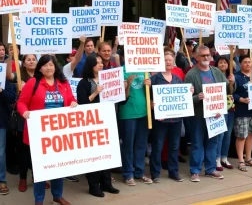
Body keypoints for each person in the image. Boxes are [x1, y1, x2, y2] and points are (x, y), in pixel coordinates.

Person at [17, 55, 77, 205]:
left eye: (51, 65)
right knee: (40, 169)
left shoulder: (63, 83)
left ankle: (57, 195)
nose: (49, 68)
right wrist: (24, 112)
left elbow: (70, 100)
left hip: (59, 133)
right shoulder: (33, 83)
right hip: (39, 134)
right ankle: (39, 199)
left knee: (59, 167)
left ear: (55, 66)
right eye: (45, 65)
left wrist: (74, 103)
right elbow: (21, 102)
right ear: (40, 68)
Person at [184, 45, 235, 181]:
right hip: (199, 116)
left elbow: (227, 90)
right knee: (197, 143)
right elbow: (185, 97)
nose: (206, 57)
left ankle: (210, 169)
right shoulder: (191, 75)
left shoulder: (216, 71)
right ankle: (195, 170)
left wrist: (232, 82)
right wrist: (196, 97)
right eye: (203, 55)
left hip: (215, 115)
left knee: (213, 142)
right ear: (196, 57)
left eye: (208, 55)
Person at [146, 47, 193, 183]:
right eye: (165, 60)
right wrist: (151, 104)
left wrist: (188, 92)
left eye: (170, 60)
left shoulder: (178, 79)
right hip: (160, 120)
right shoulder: (154, 79)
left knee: (174, 146)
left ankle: (174, 172)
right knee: (158, 146)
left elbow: (183, 97)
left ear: (173, 62)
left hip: (176, 119)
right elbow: (148, 97)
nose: (168, 62)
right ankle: (155, 173)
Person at [77, 54, 120, 197]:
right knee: (94, 156)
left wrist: (123, 89)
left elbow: (118, 100)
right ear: (91, 66)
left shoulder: (108, 79)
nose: (101, 65)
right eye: (97, 63)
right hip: (92, 124)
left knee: (107, 154)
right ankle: (93, 185)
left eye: (101, 62)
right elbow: (82, 104)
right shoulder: (84, 83)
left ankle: (106, 183)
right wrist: (96, 92)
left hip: (107, 120)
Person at [6, 54, 42, 192]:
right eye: (28, 59)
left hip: (39, 118)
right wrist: (11, 57)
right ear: (24, 63)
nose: (31, 61)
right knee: (23, 150)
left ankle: (37, 177)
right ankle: (22, 178)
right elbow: (9, 75)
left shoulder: (41, 76)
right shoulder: (19, 77)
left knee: (37, 151)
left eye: (34, 59)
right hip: (24, 118)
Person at [119, 50, 152, 186]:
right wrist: (126, 85)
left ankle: (139, 172)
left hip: (144, 113)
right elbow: (119, 96)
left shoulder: (145, 70)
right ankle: (128, 174)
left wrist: (149, 85)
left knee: (141, 144)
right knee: (128, 144)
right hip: (128, 113)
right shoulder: (121, 71)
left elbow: (149, 93)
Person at [233, 55, 252, 172]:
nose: (248, 64)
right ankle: (241, 160)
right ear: (240, 64)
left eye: (249, 62)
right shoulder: (236, 77)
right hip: (242, 112)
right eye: (245, 62)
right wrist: (242, 100)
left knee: (251, 135)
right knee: (241, 136)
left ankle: (248, 158)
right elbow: (232, 94)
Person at [215, 56, 235, 170]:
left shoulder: (232, 75)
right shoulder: (214, 75)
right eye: (220, 62)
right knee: (220, 134)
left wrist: (233, 82)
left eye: (225, 62)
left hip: (230, 108)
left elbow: (234, 92)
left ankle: (224, 157)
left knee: (228, 134)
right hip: (219, 108)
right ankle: (216, 158)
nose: (223, 64)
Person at [0, 79, 17, 195]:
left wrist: (1, 91)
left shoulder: (4, 80)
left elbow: (12, 98)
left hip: (1, 122)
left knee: (0, 153)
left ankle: (2, 180)